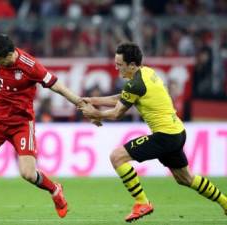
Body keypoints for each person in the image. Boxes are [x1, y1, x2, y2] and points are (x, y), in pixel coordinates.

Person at [0, 34, 93, 224]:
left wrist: (80, 103)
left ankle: (55, 189)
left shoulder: (30, 66)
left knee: (28, 174)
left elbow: (57, 86)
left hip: (21, 123)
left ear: (9, 55)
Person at [79, 42, 227, 222]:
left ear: (132, 65)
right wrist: (93, 100)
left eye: (120, 64)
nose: (116, 67)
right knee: (186, 179)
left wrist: (96, 114)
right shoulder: (146, 73)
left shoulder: (136, 84)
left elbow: (118, 112)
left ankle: (142, 202)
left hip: (165, 136)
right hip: (177, 132)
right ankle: (225, 203)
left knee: (117, 157)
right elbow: (123, 97)